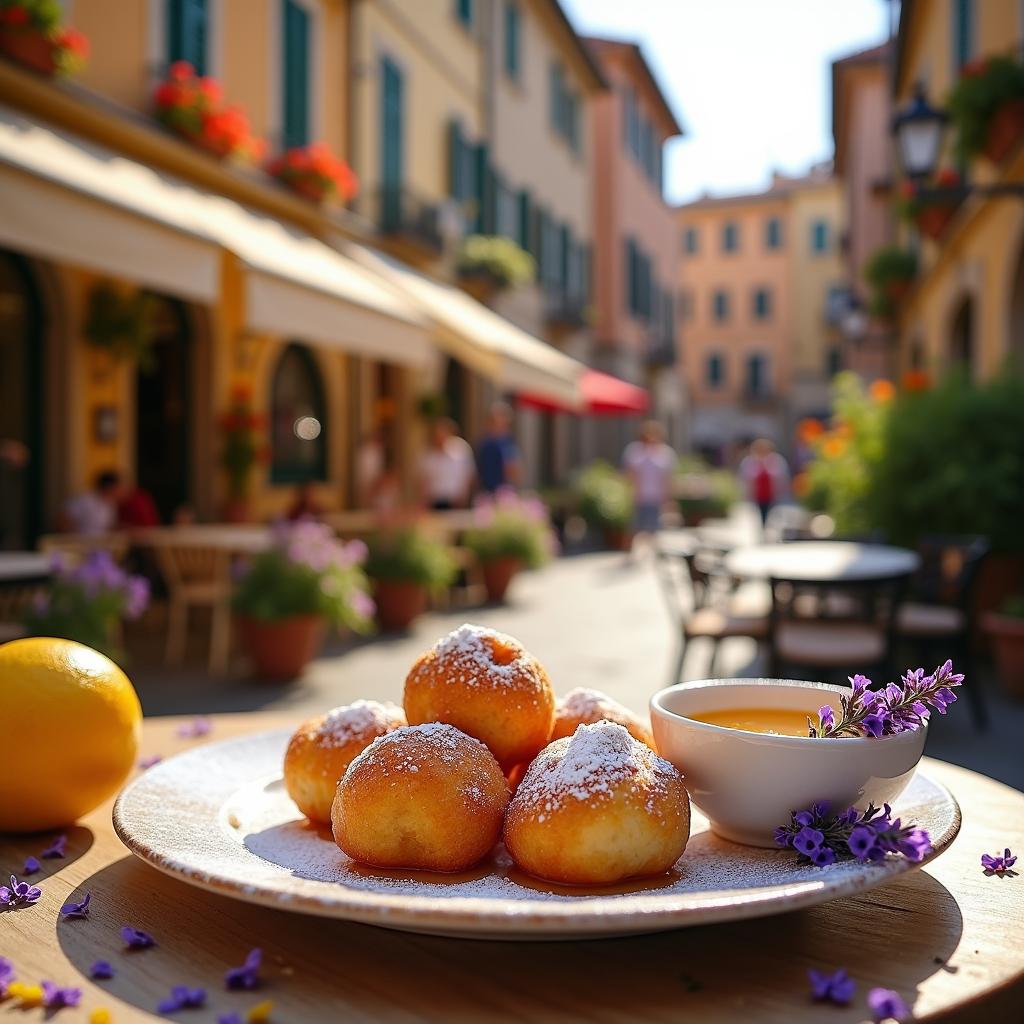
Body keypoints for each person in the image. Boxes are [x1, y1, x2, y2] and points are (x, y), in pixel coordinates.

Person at [622, 421, 675, 542]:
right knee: (634, 528)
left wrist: (668, 498)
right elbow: (630, 474)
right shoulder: (635, 451)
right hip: (638, 496)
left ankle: (651, 554)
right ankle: (631, 552)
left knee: (653, 529)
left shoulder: (665, 453)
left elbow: (667, 478)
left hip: (656, 497)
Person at [419, 418, 475, 511]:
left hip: (454, 500)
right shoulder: (428, 456)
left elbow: (468, 475)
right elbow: (424, 480)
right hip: (434, 500)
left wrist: (464, 496)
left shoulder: (460, 450)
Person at [739, 438, 790, 528]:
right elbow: (746, 479)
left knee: (771, 513)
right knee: (760, 513)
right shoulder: (750, 461)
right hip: (758, 495)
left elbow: (781, 478)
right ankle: (763, 527)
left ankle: (768, 527)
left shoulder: (776, 460)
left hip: (772, 494)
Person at [476, 402, 521, 494]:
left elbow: (513, 468)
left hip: (503, 490)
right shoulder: (484, 443)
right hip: (485, 489)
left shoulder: (508, 443)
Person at [63, 469, 122, 535]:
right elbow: (64, 521)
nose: (119, 491)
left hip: (102, 543)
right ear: (109, 487)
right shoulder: (84, 500)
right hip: (82, 543)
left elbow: (108, 527)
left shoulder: (110, 504)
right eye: (117, 488)